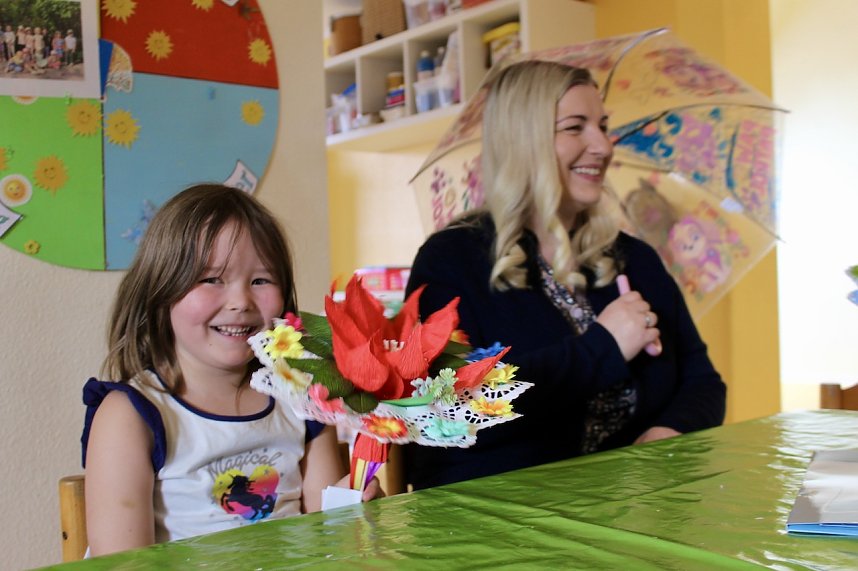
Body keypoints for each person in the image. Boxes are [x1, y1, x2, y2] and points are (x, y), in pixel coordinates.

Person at [403, 60, 726, 490]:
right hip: (502, 524)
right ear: (524, 142)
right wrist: (604, 347)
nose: (603, 145)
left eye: (603, 125)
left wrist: (666, 433)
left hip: (633, 509)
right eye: (576, 128)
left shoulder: (635, 260)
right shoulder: (452, 259)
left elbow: (703, 382)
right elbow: (453, 410)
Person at [82, 184, 382, 556]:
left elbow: (327, 537)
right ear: (160, 290)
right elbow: (123, 563)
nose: (240, 302)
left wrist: (351, 508)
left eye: (261, 280)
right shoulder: (130, 415)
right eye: (211, 279)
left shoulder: (301, 396)